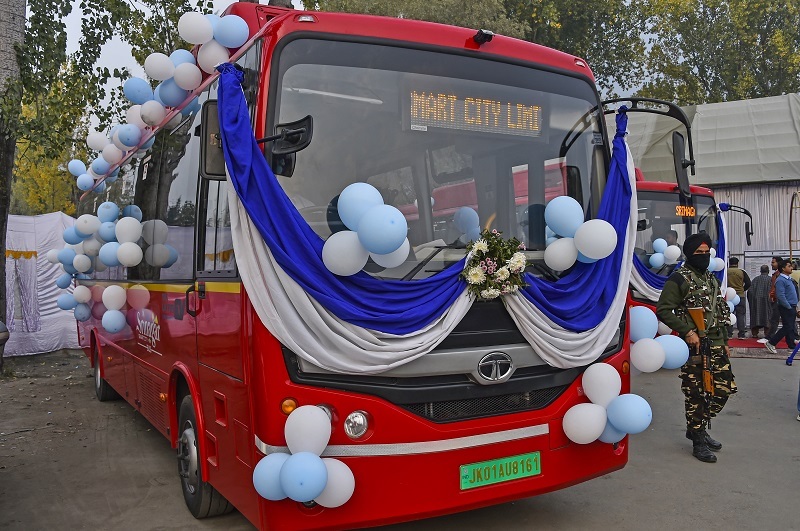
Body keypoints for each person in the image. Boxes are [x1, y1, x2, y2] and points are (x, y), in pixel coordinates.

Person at [656, 232, 735, 464]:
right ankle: (698, 438)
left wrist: (725, 342)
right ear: (689, 254)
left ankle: (696, 427)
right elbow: (663, 309)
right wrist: (688, 331)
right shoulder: (679, 278)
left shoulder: (710, 278)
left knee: (723, 390)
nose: (702, 256)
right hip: (695, 346)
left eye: (705, 252)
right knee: (696, 392)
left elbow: (719, 312)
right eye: (698, 253)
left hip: (716, 343)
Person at [765, 259, 799, 354]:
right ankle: (772, 342)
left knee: (790, 326)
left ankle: (791, 345)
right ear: (783, 268)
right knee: (788, 326)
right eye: (789, 266)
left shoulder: (788, 279)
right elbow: (781, 296)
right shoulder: (780, 280)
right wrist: (788, 306)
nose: (791, 268)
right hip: (786, 307)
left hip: (791, 306)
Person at [726, 257, 750, 338]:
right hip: (740, 295)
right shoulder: (742, 272)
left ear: (729, 263)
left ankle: (729, 334)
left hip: (729, 296)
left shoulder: (726, 272)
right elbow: (748, 283)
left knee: (729, 315)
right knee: (740, 315)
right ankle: (741, 334)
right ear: (737, 263)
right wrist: (743, 289)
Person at [748, 265, 772, 339]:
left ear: (760, 271)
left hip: (756, 302)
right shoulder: (770, 280)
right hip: (767, 302)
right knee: (768, 317)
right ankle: (767, 333)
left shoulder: (755, 279)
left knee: (755, 317)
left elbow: (750, 291)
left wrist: (752, 300)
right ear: (768, 271)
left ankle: (755, 333)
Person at [767, 256, 783, 338]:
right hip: (776, 298)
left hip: (778, 299)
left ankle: (770, 336)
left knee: (774, 319)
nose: (771, 264)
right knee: (776, 318)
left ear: (779, 263)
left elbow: (777, 287)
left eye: (773, 262)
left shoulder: (779, 275)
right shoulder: (776, 274)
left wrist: (773, 295)